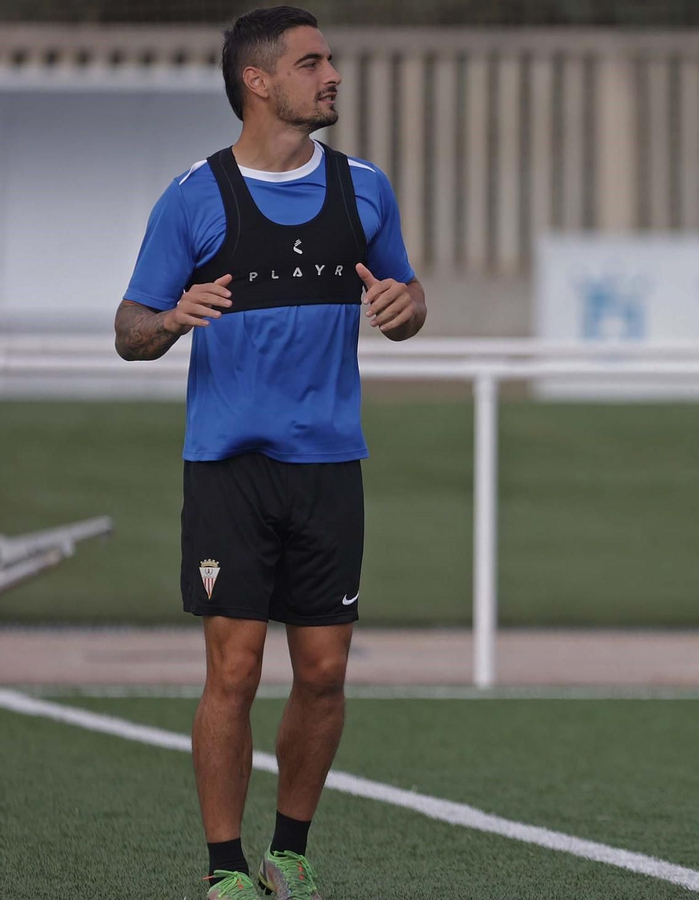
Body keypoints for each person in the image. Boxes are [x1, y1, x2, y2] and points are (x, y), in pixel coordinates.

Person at [113, 7, 424, 898]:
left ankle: (289, 850)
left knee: (323, 674)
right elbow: (130, 326)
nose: (332, 75)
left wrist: (410, 309)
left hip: (330, 467)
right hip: (229, 469)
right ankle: (225, 871)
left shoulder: (365, 188)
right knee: (235, 669)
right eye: (311, 62)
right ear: (258, 82)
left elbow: (406, 292)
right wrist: (171, 319)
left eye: (330, 60)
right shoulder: (192, 196)